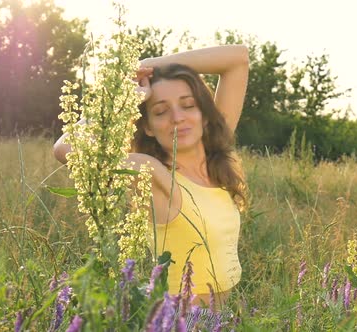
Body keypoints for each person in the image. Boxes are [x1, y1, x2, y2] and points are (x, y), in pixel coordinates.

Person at [53, 45, 249, 315]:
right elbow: (65, 149)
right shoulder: (153, 173)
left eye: (188, 105)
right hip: (178, 321)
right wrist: (121, 99)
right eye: (160, 111)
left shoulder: (216, 157)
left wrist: (150, 64)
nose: (178, 117)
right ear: (147, 126)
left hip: (221, 319)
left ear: (204, 114)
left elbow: (238, 58)